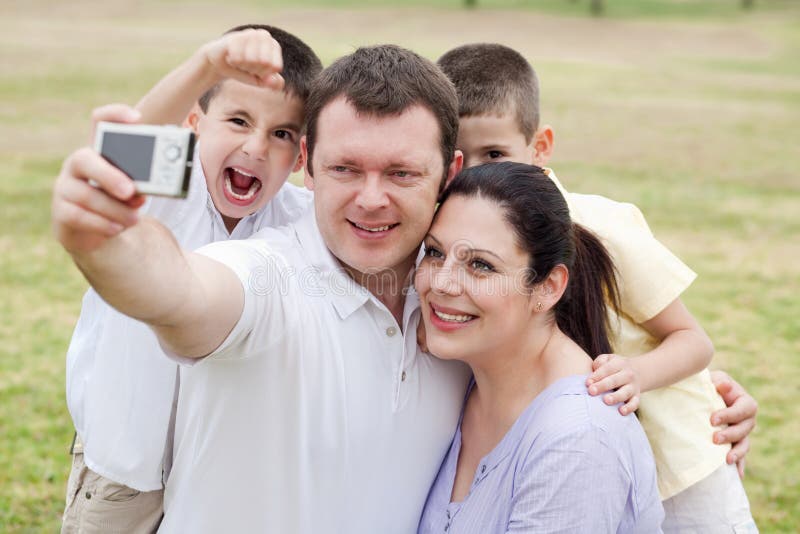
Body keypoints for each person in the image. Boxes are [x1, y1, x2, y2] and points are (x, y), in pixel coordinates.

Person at [53, 44, 473, 533]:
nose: (371, 199)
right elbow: (182, 291)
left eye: (402, 173)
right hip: (123, 464)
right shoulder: (251, 251)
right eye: (345, 169)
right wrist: (100, 236)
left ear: (450, 174)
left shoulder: (460, 289)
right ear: (311, 165)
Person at [437, 43, 758, 531]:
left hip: (682, 465)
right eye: (460, 158)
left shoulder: (600, 227)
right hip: (586, 462)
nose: (479, 173)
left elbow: (694, 340)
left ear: (540, 146)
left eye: (495, 153)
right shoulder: (451, 236)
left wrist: (636, 373)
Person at [61, 25, 321, 533]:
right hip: (124, 471)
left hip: (219, 478)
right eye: (238, 120)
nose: (256, 146)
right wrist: (207, 64)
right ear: (194, 123)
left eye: (282, 133)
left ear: (301, 156)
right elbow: (122, 149)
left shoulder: (296, 217)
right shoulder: (168, 188)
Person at [416, 162, 664, 532]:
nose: (441, 283)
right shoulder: (464, 378)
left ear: (548, 287)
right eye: (435, 253)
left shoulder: (577, 440)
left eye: (481, 265)